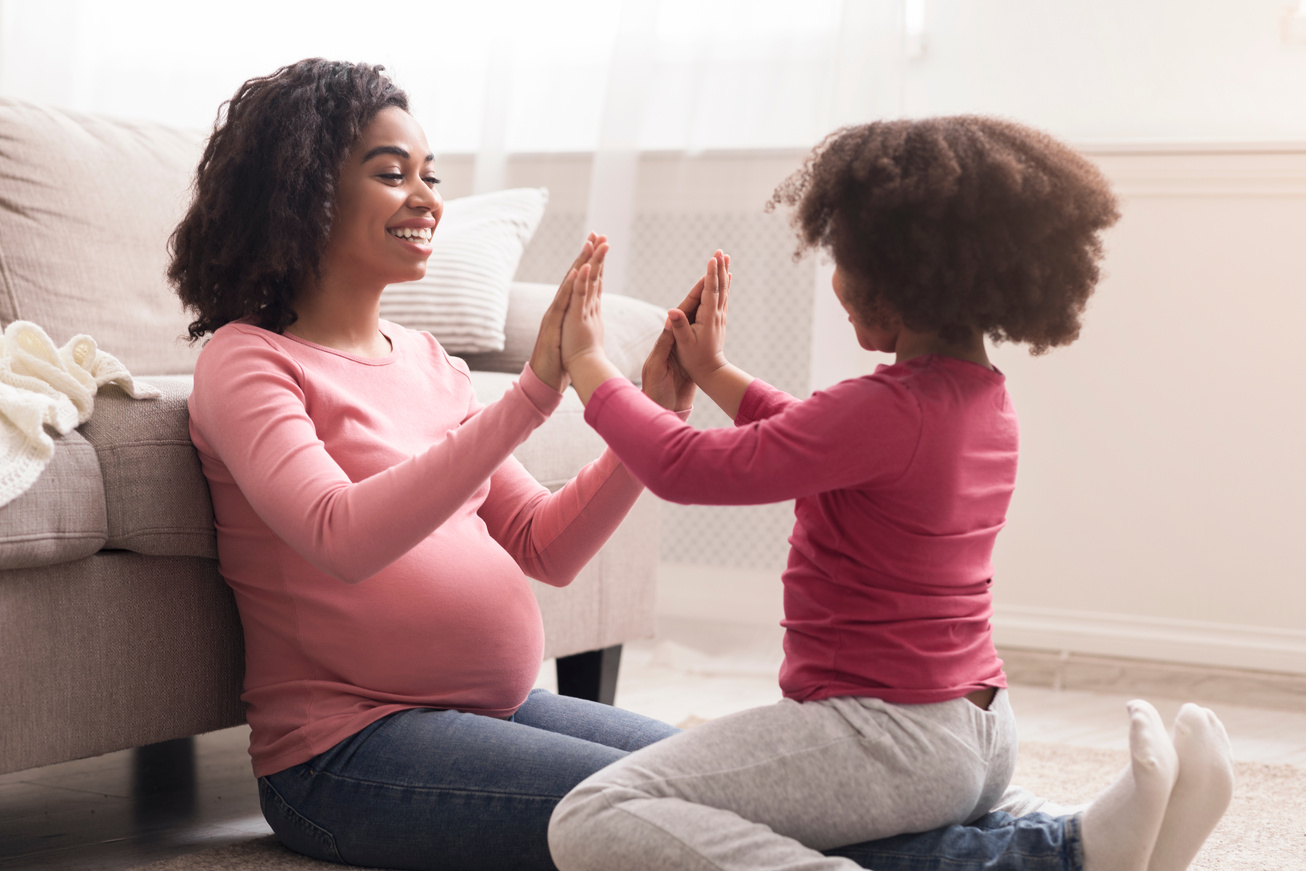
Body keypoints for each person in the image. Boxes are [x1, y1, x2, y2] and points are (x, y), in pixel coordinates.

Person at [172, 60, 1230, 871]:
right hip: (346, 753)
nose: (426, 193)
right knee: (669, 812)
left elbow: (547, 545)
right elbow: (338, 536)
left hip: (489, 708)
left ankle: (1057, 843)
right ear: (301, 190)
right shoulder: (244, 360)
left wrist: (669, 397)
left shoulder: (431, 363)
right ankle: (1046, 857)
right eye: (389, 170)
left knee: (742, 783)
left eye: (431, 172)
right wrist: (537, 394)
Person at [548, 117, 1234, 871]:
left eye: (844, 262)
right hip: (981, 733)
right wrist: (712, 372)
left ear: (898, 283)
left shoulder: (885, 409)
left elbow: (687, 468)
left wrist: (588, 365)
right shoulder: (982, 401)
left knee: (592, 813)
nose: (835, 282)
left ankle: (1073, 851)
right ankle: (1076, 845)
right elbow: (810, 441)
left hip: (886, 738)